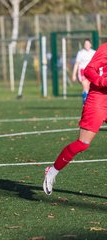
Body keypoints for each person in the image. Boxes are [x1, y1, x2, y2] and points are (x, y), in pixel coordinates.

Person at [43, 42, 107, 195]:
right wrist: (103, 81)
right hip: (98, 100)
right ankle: (52, 171)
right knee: (83, 143)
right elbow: (88, 70)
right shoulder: (105, 49)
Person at [71, 38, 96, 105]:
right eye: (85, 44)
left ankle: (89, 102)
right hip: (83, 71)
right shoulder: (80, 53)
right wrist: (73, 74)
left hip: (91, 72)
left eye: (88, 44)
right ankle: (85, 103)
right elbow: (77, 64)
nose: (87, 45)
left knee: (90, 87)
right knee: (85, 86)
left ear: (90, 45)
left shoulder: (94, 52)